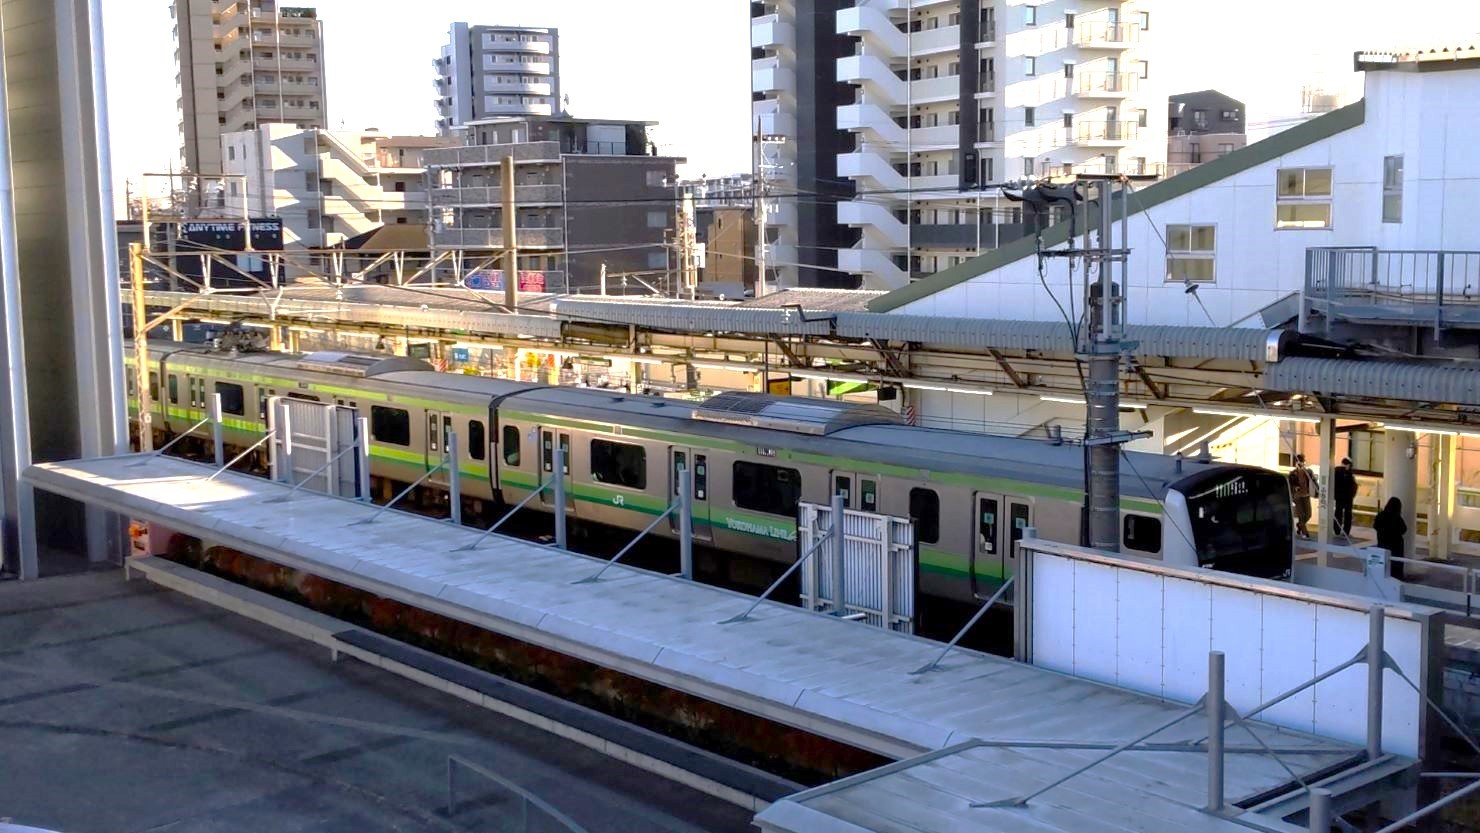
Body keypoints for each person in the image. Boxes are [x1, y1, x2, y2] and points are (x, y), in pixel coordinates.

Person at [1373, 497, 1408, 581]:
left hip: (1382, 544)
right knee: (1396, 568)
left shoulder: (1381, 515)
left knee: (1383, 566)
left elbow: (1375, 526)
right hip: (1396, 547)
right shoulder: (1397, 518)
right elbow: (1404, 529)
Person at [1288, 455, 1318, 540]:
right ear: (1296, 463)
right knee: (1301, 515)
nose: (1300, 463)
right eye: (1298, 462)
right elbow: (1290, 485)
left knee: (1308, 514)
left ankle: (1300, 525)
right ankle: (1305, 533)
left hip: (1306, 495)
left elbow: (1314, 482)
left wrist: (1317, 491)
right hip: (1297, 497)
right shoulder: (1292, 473)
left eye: (1302, 462)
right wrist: (1295, 488)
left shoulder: (1309, 472)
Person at [1334, 457, 1358, 540]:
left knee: (1338, 512)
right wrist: (1352, 495)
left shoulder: (1335, 471)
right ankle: (1345, 532)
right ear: (1348, 465)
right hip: (1348, 497)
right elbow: (1354, 485)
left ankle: (1337, 530)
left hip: (1339, 496)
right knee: (1347, 514)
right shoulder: (1349, 473)